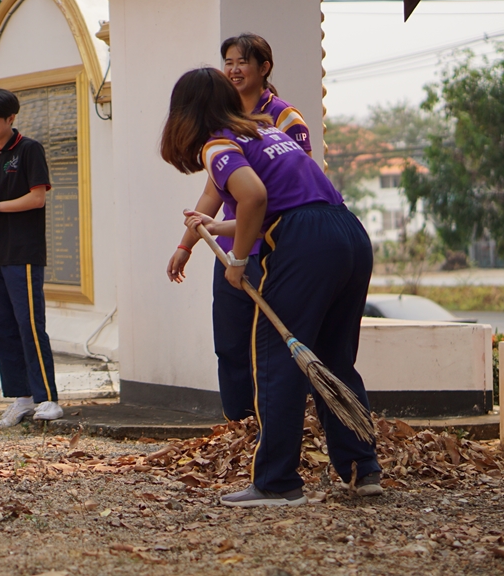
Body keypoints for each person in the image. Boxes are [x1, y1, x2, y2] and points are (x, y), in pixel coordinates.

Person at [161, 67, 381, 506]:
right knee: (334, 357)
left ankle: (277, 482)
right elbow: (271, 204)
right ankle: (362, 468)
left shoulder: (219, 143)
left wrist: (238, 261)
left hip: (304, 243)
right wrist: (215, 227)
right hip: (347, 233)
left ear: (185, 113)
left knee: (277, 358)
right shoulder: (265, 131)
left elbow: (255, 197)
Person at [166, 34, 310, 421]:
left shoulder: (280, 119)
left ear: (264, 68)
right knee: (230, 342)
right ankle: (240, 425)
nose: (233, 69)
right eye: (227, 62)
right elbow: (214, 191)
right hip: (235, 242)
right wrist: (187, 245)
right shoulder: (221, 127)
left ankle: (274, 429)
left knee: (270, 345)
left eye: (242, 62)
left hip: (273, 245)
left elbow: (279, 189)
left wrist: (241, 251)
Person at [0, 88, 61, 427]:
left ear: (10, 119)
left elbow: (37, 198)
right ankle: (21, 398)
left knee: (29, 325)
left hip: (23, 253)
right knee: (4, 327)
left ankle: (47, 397)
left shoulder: (29, 150)